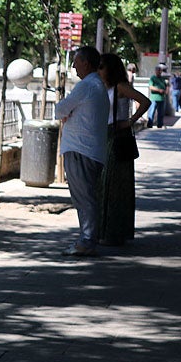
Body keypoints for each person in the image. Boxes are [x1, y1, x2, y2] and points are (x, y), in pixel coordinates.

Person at [55, 45, 109, 257]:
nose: (74, 66)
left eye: (76, 61)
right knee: (87, 197)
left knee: (84, 198)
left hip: (80, 149)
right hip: (90, 149)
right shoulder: (97, 85)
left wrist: (67, 112)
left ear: (85, 63)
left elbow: (61, 109)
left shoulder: (86, 85)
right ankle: (87, 238)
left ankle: (87, 241)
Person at [96, 53, 150, 247]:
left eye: (101, 66)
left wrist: (129, 122)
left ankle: (114, 232)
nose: (98, 70)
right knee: (102, 186)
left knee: (115, 186)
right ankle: (103, 231)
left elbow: (145, 102)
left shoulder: (120, 86)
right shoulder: (102, 87)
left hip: (117, 137)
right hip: (104, 137)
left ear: (110, 68)